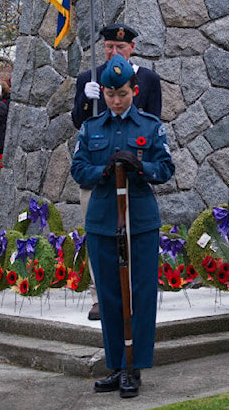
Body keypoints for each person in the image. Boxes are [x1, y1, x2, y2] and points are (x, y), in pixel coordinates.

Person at [70, 54, 174, 399]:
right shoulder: (90, 128)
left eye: (123, 95)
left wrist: (140, 167)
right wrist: (103, 172)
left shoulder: (150, 126)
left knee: (142, 294)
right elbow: (78, 169)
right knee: (110, 296)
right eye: (111, 95)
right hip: (103, 219)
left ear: (135, 90)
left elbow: (166, 167)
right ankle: (116, 364)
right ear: (103, 92)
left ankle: (135, 365)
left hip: (140, 219)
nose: (116, 102)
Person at [72, 23, 162, 130]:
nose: (114, 53)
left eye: (120, 47)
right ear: (104, 47)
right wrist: (85, 98)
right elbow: (78, 123)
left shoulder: (148, 79)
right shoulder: (89, 78)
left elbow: (153, 124)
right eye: (110, 46)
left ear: (131, 47)